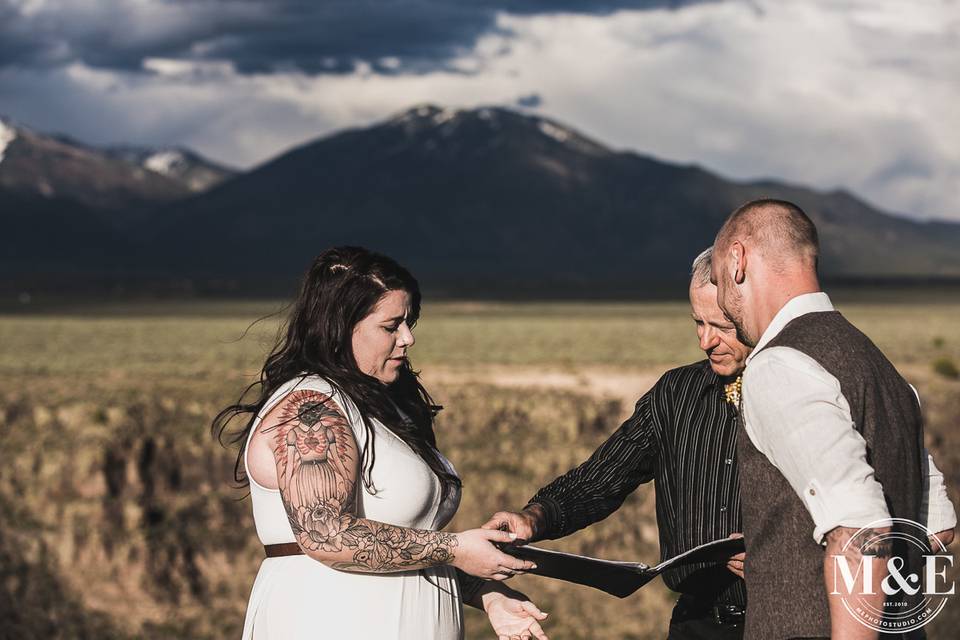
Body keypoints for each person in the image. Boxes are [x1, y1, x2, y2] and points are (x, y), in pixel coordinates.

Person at [213, 247, 549, 640]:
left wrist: (488, 592)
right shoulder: (311, 408)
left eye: (410, 322)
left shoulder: (386, 406)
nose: (407, 338)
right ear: (339, 326)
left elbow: (413, 546)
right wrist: (455, 548)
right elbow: (326, 534)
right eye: (391, 326)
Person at [710, 198, 957, 639]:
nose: (725, 306)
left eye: (717, 281)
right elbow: (938, 530)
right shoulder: (882, 369)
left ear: (737, 261)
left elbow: (862, 529)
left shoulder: (777, 365)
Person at [484, 247, 752, 639]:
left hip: (789, 620)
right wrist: (533, 519)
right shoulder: (676, 394)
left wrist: (792, 555)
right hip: (697, 624)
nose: (705, 341)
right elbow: (600, 479)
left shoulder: (811, 391)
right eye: (698, 323)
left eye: (722, 327)